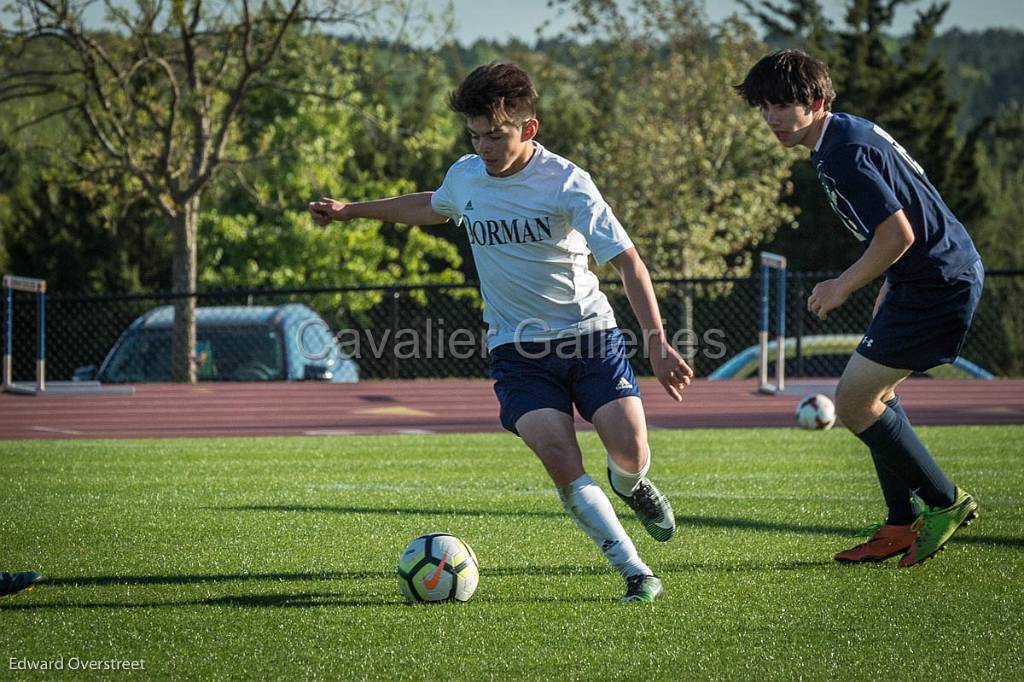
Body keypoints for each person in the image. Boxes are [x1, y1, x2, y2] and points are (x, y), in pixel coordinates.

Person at [310, 63, 693, 601]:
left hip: (590, 338)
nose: (484, 147)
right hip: (517, 350)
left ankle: (630, 485)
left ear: (527, 129)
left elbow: (628, 261)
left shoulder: (566, 182)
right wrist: (352, 211)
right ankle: (635, 570)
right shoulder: (466, 176)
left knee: (629, 450)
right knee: (560, 457)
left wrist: (657, 342)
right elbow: (431, 204)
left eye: (495, 135)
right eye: (475, 136)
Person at [734, 49, 983, 567]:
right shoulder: (841, 137)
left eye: (782, 104)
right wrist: (887, 288)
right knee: (874, 395)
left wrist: (841, 286)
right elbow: (904, 220)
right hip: (924, 279)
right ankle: (897, 523)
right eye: (764, 106)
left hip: (938, 283)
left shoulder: (842, 151)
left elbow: (898, 232)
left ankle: (944, 501)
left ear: (816, 101)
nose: (771, 117)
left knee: (852, 402)